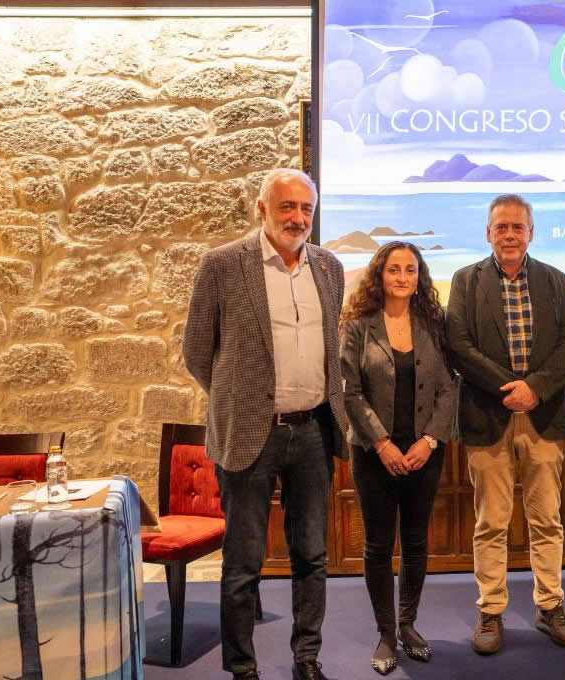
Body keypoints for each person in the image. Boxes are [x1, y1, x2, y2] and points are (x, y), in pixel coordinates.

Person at [183, 167, 346, 680]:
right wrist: (242, 401)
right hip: (250, 433)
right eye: (287, 208)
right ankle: (242, 668)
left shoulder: (329, 267)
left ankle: (307, 658)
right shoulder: (223, 265)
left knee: (313, 556)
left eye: (306, 209)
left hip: (315, 431)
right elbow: (196, 352)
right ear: (261, 209)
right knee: (243, 563)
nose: (297, 218)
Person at [445, 193, 565, 655]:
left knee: (547, 520)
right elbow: (459, 346)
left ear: (530, 233)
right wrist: (511, 388)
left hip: (542, 418)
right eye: (500, 227)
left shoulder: (554, 280)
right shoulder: (466, 281)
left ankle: (549, 605)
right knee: (491, 522)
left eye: (517, 227)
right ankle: (491, 610)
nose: (509, 234)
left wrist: (536, 388)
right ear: (488, 233)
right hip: (488, 417)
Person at [339, 242, 454, 675]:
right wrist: (383, 444)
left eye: (410, 269)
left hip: (424, 450)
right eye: (393, 269)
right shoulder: (357, 325)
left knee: (417, 541)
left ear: (419, 275)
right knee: (378, 544)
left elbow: (448, 386)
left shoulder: (433, 322)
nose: (403, 277)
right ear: (379, 275)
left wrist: (429, 441)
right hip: (373, 452)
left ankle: (409, 624)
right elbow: (349, 391)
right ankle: (386, 633)